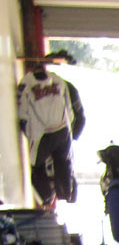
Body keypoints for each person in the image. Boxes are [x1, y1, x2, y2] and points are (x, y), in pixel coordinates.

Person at [16, 57, 85, 209]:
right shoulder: (60, 82)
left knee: (37, 165)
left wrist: (27, 130)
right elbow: (75, 114)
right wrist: (70, 134)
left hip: (43, 134)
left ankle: (49, 197)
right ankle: (63, 193)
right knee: (63, 162)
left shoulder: (26, 83)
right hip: (62, 131)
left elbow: (22, 111)